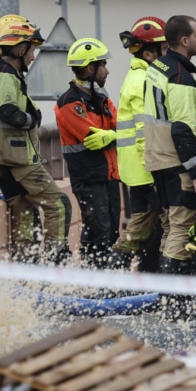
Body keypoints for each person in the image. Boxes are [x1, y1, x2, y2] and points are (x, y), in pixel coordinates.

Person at [0, 16, 72, 264]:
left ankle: (26, 269)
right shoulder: (7, 76)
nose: (32, 56)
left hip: (0, 159)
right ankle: (56, 259)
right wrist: (32, 120)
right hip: (17, 159)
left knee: (25, 213)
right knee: (59, 204)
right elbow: (8, 111)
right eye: (31, 50)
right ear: (19, 49)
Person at [143, 15, 196, 317]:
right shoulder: (180, 76)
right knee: (181, 229)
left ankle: (172, 304)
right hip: (178, 162)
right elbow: (183, 129)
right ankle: (174, 307)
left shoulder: (158, 67)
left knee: (171, 228)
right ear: (184, 40)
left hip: (158, 159)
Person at [54, 37, 120, 268]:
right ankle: (94, 281)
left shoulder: (102, 99)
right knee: (97, 234)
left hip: (110, 176)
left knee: (112, 233)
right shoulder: (69, 102)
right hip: (89, 179)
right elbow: (92, 137)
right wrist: (114, 134)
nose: (107, 71)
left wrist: (112, 135)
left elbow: (121, 126)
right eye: (103, 65)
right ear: (90, 68)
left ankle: (108, 282)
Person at [110, 17, 169, 272]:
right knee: (171, 226)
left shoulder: (140, 76)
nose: (168, 54)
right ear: (148, 53)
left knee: (141, 230)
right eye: (164, 49)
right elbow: (146, 131)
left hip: (139, 170)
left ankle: (115, 280)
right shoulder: (144, 80)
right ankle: (116, 280)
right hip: (147, 170)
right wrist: (156, 168)